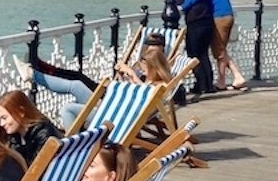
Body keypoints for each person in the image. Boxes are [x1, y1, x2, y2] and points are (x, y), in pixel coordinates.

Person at [15, 33, 169, 128]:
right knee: (76, 83)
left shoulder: (159, 86)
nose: (142, 71)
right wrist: (126, 79)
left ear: (155, 68)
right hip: (111, 107)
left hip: (113, 116)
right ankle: (34, 73)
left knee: (69, 103)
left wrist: (133, 76)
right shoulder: (151, 83)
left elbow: (148, 94)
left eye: (145, 69)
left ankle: (74, 144)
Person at [180, 0, 248, 91]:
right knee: (219, 49)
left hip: (220, 16)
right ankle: (222, 81)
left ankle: (237, 76)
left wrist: (183, 6)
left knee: (219, 50)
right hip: (225, 15)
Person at [0, 90, 63, 165]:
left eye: (4, 118)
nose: (1, 124)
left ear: (21, 112)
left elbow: (36, 168)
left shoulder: (43, 134)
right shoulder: (16, 137)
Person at [176, 0, 215, 96]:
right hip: (208, 21)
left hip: (195, 22)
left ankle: (200, 84)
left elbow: (178, 2)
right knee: (204, 54)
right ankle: (209, 85)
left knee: (193, 54)